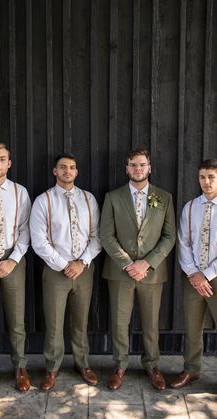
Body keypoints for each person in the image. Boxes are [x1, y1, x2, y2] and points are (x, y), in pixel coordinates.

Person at [100, 148, 176, 391]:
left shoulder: (164, 197)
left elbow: (169, 236)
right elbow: (106, 235)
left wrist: (147, 262)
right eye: (133, 165)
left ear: (150, 167)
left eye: (142, 164)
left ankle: (152, 365)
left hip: (152, 272)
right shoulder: (113, 197)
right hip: (120, 272)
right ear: (127, 168)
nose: (138, 169)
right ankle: (120, 365)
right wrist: (127, 263)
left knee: (151, 322)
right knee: (119, 322)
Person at [30, 153, 101, 391]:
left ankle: (83, 363)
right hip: (54, 271)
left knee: (81, 321)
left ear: (77, 172)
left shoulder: (88, 199)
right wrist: (63, 264)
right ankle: (52, 368)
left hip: (84, 270)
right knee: (54, 322)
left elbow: (97, 236)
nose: (67, 171)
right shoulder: (44, 200)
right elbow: (38, 241)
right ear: (55, 171)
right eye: (63, 167)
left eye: (72, 167)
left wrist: (82, 262)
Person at [0, 143, 31, 396]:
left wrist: (13, 260)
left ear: (9, 163)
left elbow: (25, 229)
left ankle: (20, 367)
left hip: (14, 260)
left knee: (16, 319)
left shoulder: (20, 192)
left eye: (2, 159)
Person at [171, 159, 217, 389]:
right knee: (192, 326)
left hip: (215, 275)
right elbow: (183, 243)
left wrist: (207, 274)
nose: (206, 182)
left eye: (211, 177)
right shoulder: (190, 207)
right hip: (192, 276)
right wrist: (193, 273)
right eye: (202, 177)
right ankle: (191, 369)